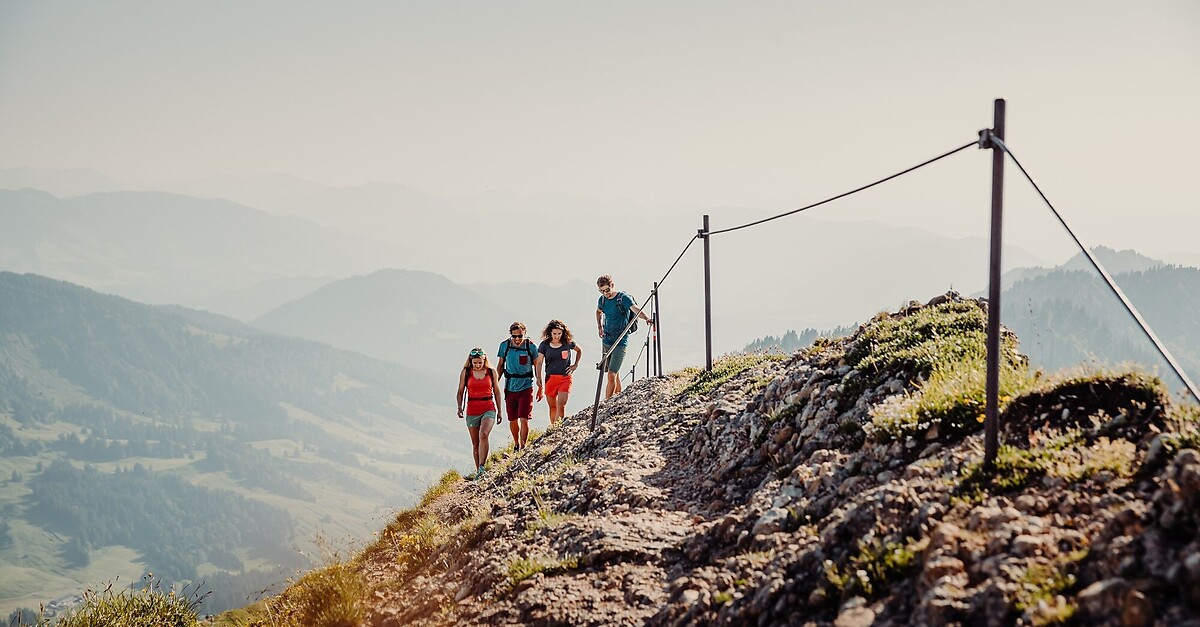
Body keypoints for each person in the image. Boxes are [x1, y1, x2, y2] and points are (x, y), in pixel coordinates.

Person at [595, 275, 653, 399]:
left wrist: (647, 318)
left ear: (612, 285)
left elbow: (636, 309)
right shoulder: (602, 300)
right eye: (602, 291)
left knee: (611, 374)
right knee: (615, 373)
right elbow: (598, 312)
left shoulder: (623, 298)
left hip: (621, 341)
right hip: (607, 340)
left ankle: (606, 404)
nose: (605, 293)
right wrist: (599, 327)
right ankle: (617, 398)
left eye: (607, 290)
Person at [456, 347, 503, 478]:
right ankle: (479, 472)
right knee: (475, 444)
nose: (477, 365)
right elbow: (460, 392)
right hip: (472, 409)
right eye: (475, 362)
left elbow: (497, 392)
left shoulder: (491, 372)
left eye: (479, 362)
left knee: (484, 434)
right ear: (471, 361)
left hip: (488, 406)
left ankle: (482, 466)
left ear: (484, 360)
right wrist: (459, 407)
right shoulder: (466, 372)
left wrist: (499, 411)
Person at [496, 322, 543, 452]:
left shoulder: (531, 346)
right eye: (514, 336)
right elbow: (500, 365)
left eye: (520, 336)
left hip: (526, 385)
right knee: (512, 419)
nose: (517, 339)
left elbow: (537, 365)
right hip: (510, 386)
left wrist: (540, 384)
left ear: (525, 334)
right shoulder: (504, 346)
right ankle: (516, 444)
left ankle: (523, 446)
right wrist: (495, 382)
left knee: (524, 418)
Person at [538, 319, 583, 426]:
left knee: (561, 405)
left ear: (563, 333)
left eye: (559, 333)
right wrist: (538, 377)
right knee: (552, 406)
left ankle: (557, 428)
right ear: (550, 333)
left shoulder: (568, 343)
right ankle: (553, 427)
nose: (557, 336)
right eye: (554, 334)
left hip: (565, 378)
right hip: (550, 378)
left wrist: (575, 364)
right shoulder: (544, 345)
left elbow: (579, 350)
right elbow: (539, 362)